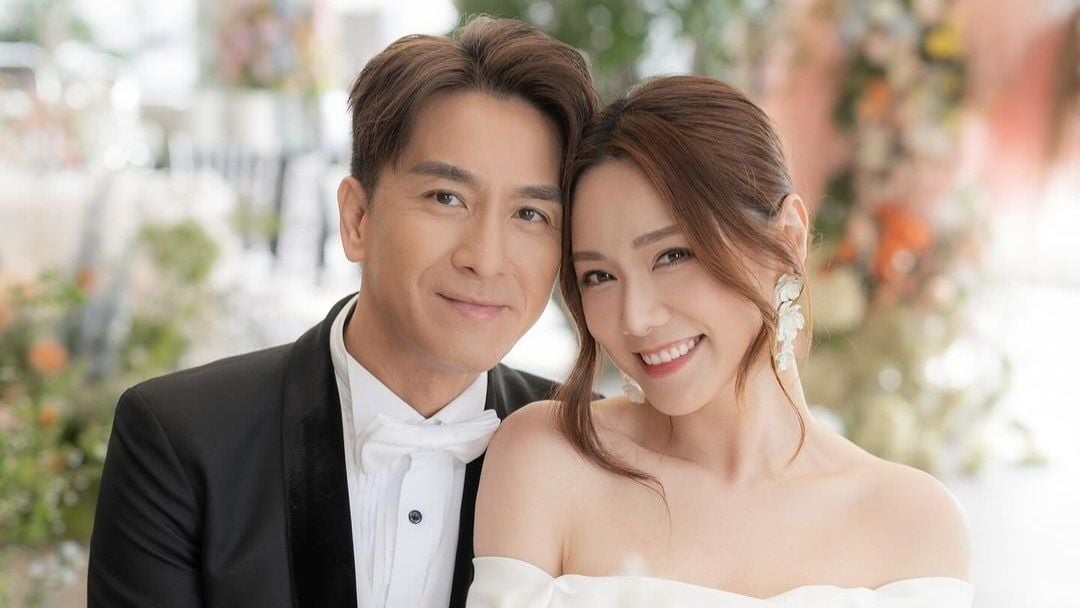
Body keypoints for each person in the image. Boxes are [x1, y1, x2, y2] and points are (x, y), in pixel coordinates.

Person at [88, 17, 597, 608]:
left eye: (531, 214)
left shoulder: (592, 451)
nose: (485, 259)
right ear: (357, 219)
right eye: (446, 198)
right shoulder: (180, 440)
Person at [468, 75, 973, 607]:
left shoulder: (915, 525)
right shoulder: (547, 457)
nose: (636, 317)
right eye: (599, 276)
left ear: (788, 240)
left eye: (672, 256)